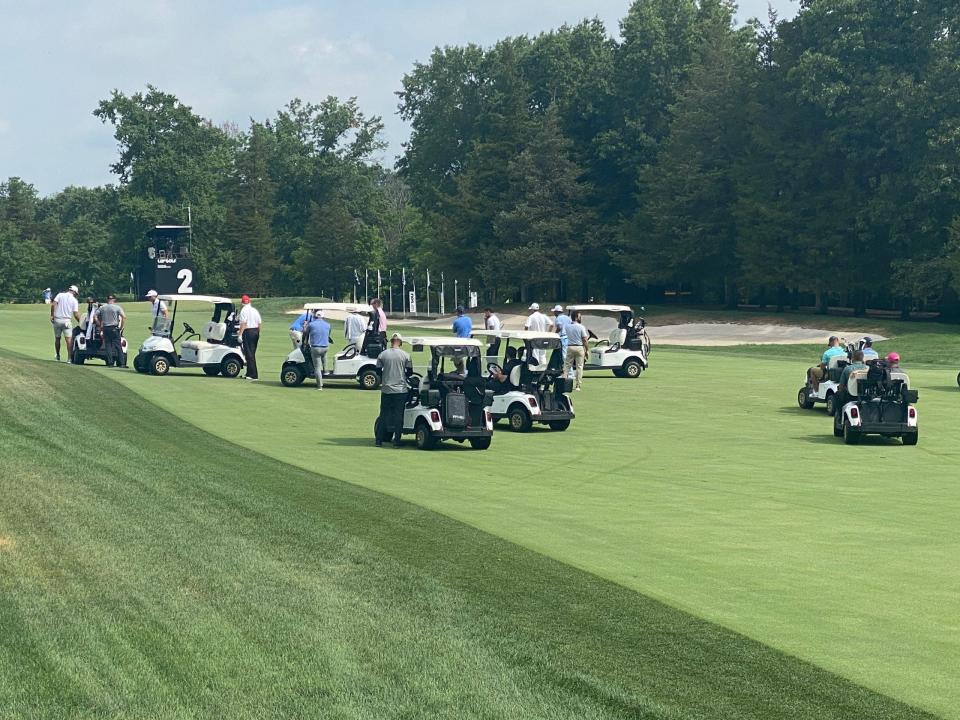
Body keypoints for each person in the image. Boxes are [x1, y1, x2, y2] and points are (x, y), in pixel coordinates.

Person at [375, 333, 412, 447]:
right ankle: (397, 441)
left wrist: (385, 377)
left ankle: (379, 441)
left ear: (391, 341)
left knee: (383, 415)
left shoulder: (383, 354)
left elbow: (377, 371)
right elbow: (409, 372)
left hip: (386, 389)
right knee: (398, 416)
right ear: (400, 342)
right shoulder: (406, 355)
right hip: (400, 390)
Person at [50, 284, 80, 361]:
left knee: (57, 338)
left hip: (57, 319)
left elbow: (53, 305)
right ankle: (69, 358)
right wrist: (81, 322)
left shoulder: (60, 295)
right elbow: (76, 314)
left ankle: (57, 355)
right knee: (69, 340)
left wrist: (52, 315)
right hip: (66, 321)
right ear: (74, 292)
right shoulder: (74, 300)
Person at [95, 294, 127, 368]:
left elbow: (95, 316)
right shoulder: (117, 307)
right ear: (114, 300)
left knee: (108, 345)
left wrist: (99, 325)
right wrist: (121, 327)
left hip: (106, 328)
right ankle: (122, 363)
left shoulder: (102, 308)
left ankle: (110, 363)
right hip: (114, 328)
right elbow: (124, 317)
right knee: (118, 346)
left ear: (107, 299)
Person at [304, 310, 331, 389]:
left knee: (317, 368)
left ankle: (320, 386)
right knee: (324, 356)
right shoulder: (328, 325)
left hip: (315, 347)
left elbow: (305, 333)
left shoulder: (311, 325)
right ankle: (326, 371)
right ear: (323, 317)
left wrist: (305, 326)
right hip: (325, 347)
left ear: (315, 316)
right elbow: (328, 334)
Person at [237, 294, 262, 380]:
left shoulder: (243, 310)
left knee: (249, 354)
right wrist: (258, 333)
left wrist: (240, 334)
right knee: (251, 353)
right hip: (255, 331)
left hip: (248, 331)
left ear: (242, 302)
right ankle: (249, 373)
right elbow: (259, 323)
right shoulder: (254, 310)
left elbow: (243, 323)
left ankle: (253, 375)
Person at [835, 350, 867, 415]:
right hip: (865, 395)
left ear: (852, 358)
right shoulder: (868, 368)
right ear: (862, 358)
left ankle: (840, 416)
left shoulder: (847, 369)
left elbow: (841, 386)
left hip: (850, 395)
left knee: (837, 394)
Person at [563, 311, 589, 391]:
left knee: (567, 366)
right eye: (579, 316)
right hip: (579, 347)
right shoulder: (581, 327)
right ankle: (578, 385)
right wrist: (587, 350)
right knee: (579, 367)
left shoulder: (567, 326)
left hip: (570, 346)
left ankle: (564, 383)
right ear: (577, 317)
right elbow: (584, 339)